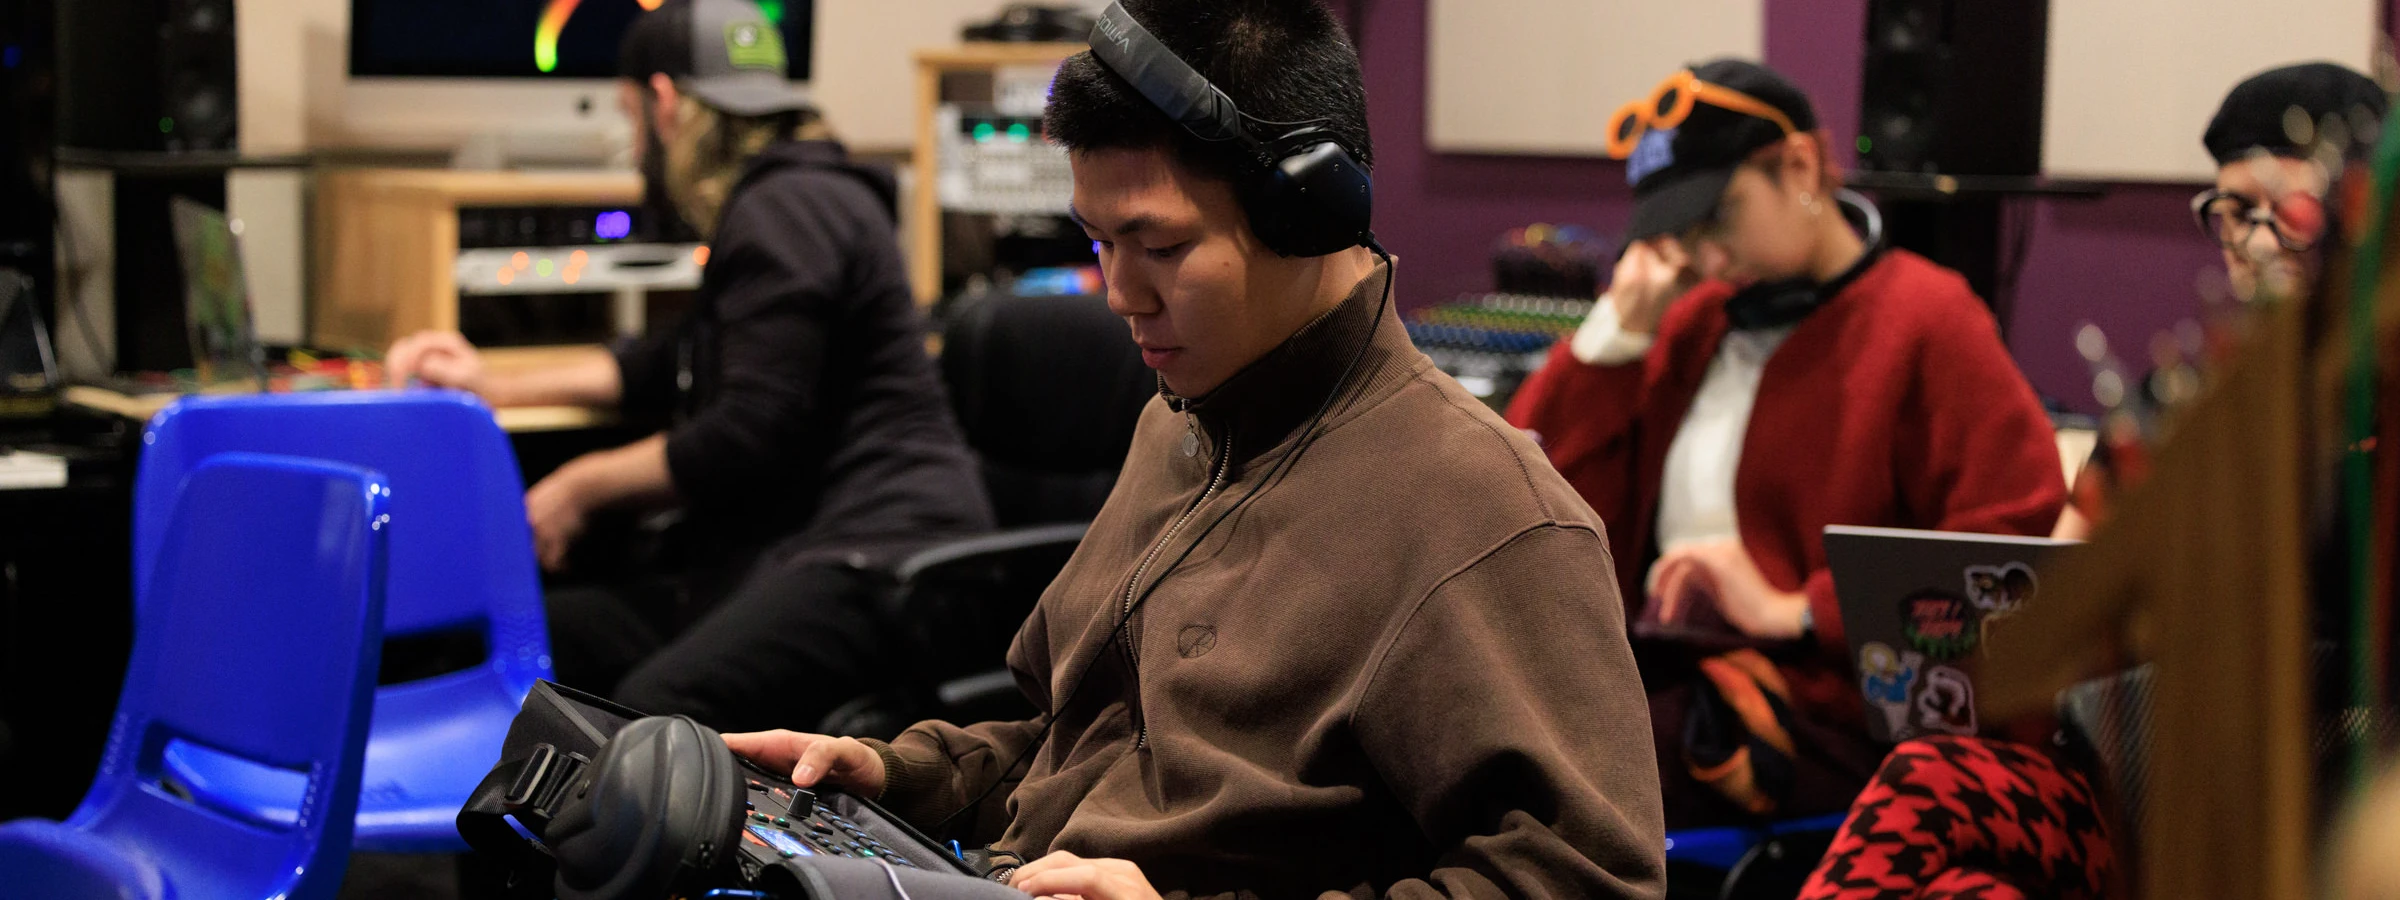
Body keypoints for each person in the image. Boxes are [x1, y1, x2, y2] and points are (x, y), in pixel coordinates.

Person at [719, 1, 1667, 895]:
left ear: (1309, 214)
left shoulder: (1488, 513)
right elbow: (1074, 746)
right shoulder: (1178, 423)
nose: (1119, 294)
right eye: (1100, 243)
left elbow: (1586, 878)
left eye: (1160, 248)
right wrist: (895, 776)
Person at [1801, 61, 2389, 899]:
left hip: (2304, 808)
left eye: (2288, 211)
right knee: (1942, 822)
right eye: (2234, 212)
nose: (2257, 243)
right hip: (2126, 772)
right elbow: (2051, 583)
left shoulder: (2377, 412)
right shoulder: (2171, 405)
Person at [383, 0, 992, 730]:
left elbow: (747, 430)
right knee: (548, 640)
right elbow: (670, 357)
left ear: (665, 103)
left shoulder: (785, 208)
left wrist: (579, 486)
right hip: (809, 546)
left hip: (881, 556)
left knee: (656, 708)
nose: (633, 142)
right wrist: (496, 386)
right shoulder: (802, 194)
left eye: (630, 117)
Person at [1503, 59, 2068, 827]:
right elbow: (1537, 516)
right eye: (1681, 233)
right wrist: (1615, 340)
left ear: (1799, 166)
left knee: (1547, 784)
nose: (1705, 257)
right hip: (1659, 686)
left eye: (1719, 215)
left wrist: (1799, 609)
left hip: (1823, 716)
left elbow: (2009, 566)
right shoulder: (1693, 322)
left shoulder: (1927, 321)